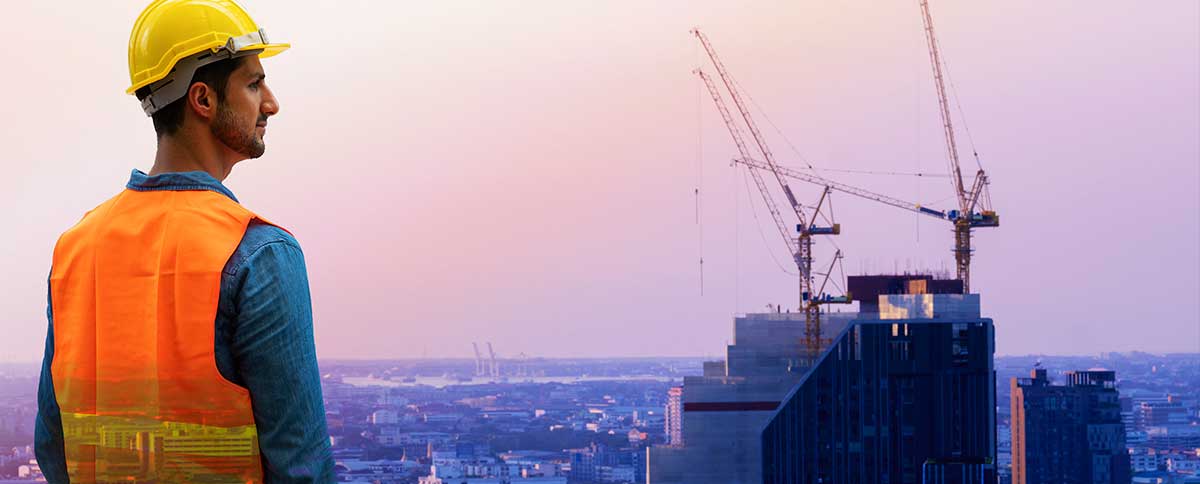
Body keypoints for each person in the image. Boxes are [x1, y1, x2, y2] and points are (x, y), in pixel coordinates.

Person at [34, 0, 334, 481]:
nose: (271, 103)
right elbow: (301, 467)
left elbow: (53, 447)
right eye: (254, 83)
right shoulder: (258, 252)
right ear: (203, 100)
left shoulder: (76, 248)